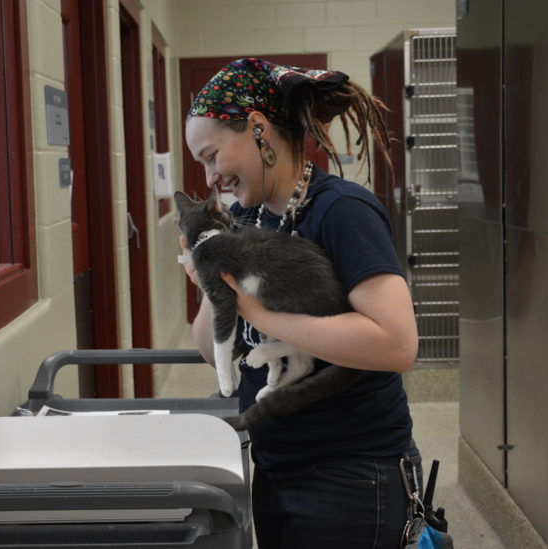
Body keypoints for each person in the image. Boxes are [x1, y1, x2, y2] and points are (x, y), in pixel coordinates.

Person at [179, 58, 421, 548]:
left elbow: (396, 344)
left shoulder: (341, 211)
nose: (208, 178)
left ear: (257, 129)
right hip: (275, 466)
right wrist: (209, 282)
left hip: (350, 477)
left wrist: (261, 315)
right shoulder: (246, 219)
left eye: (211, 156)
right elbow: (212, 352)